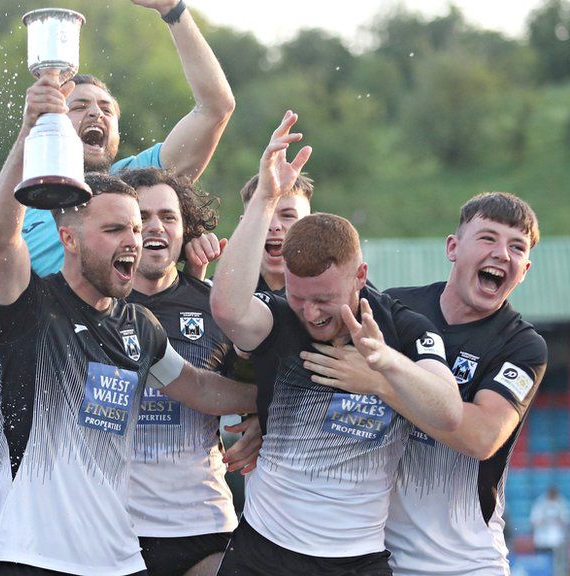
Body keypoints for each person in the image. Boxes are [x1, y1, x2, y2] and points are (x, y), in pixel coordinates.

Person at [0, 99, 256, 575]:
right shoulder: (31, 307)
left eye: (136, 228)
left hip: (117, 558)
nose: (135, 239)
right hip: (34, 555)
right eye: (114, 229)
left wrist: (277, 398)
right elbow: (5, 234)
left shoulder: (139, 326)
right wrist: (30, 132)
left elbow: (197, 388)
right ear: (69, 239)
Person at [210, 111, 463, 575]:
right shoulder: (280, 317)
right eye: (298, 297)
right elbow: (227, 309)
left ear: (360, 277)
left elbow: (448, 411)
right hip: (263, 550)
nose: (310, 313)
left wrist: (383, 369)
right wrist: (266, 197)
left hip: (356, 559)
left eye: (324, 300)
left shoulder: (402, 327)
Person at [303, 192, 549, 575]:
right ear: (453, 247)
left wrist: (382, 383)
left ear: (525, 269)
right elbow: (313, 348)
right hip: (371, 556)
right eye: (488, 238)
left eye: (516, 247)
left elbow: (481, 436)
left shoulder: (522, 345)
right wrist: (259, 420)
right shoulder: (396, 309)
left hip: (462, 562)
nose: (502, 253)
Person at [0, 0, 235, 276]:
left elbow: (215, 108)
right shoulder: (22, 197)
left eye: (107, 109)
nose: (95, 113)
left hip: (124, 318)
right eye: (78, 106)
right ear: (50, 118)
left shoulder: (137, 179)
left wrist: (174, 10)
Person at [120, 167, 260, 576]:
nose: (155, 227)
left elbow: (264, 383)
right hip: (111, 527)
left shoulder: (218, 309)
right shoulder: (91, 307)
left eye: (168, 216)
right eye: (141, 217)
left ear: (187, 231)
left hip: (202, 524)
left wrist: (261, 419)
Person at [532, 487, 569, 555]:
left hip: (558, 539)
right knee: (543, 560)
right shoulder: (540, 503)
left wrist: (558, 519)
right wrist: (544, 519)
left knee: (558, 561)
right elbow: (534, 521)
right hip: (542, 539)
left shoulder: (562, 503)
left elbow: (566, 521)